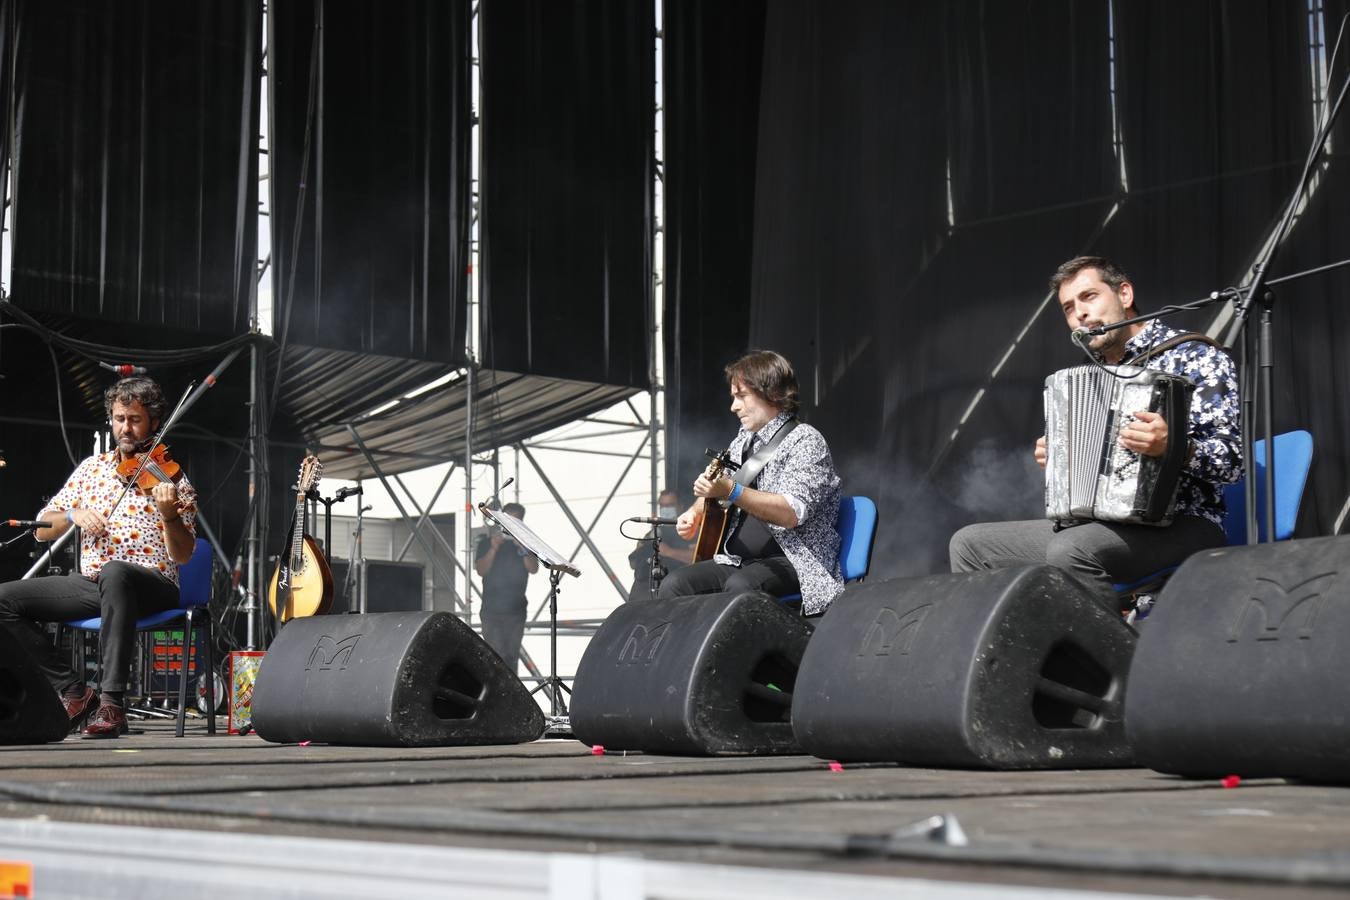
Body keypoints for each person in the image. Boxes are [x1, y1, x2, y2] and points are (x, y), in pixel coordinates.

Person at [949, 256, 1242, 607]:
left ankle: (1102, 660)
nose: (1080, 314)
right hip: (1099, 528)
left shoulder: (1194, 355)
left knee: (1071, 549)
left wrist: (1174, 447)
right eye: (1069, 307)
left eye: (1089, 297)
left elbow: (1232, 464)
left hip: (1187, 523)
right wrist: (1060, 459)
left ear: (1125, 293)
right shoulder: (1086, 381)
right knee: (969, 545)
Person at [0, 376, 198, 739]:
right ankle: (74, 690)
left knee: (115, 572)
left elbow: (183, 555)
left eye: (135, 419)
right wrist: (74, 516)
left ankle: (112, 704)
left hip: (153, 583)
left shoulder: (172, 479)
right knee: (2, 601)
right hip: (93, 584)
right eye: (119, 418)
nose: (126, 427)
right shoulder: (92, 470)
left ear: (154, 422)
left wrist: (170, 515)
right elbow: (43, 529)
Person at [660, 350, 843, 617]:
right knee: (674, 585)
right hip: (737, 561)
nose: (733, 406)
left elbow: (791, 513)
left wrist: (732, 490)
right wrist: (694, 512)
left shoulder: (806, 441)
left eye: (741, 396)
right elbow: (720, 485)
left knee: (740, 587)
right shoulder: (744, 439)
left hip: (795, 559)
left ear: (770, 392)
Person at [474, 502, 537, 670]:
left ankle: (510, 695)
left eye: (515, 521)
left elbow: (533, 568)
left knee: (511, 657)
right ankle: (495, 694)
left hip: (516, 611)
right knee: (495, 658)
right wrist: (493, 549)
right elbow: (481, 570)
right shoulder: (486, 542)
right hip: (491, 611)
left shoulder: (526, 544)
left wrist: (522, 547)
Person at [626, 488, 694, 601]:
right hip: (643, 597)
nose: (666, 509)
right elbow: (633, 563)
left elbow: (699, 557)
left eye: (670, 505)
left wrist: (669, 552)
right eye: (662, 506)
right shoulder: (653, 533)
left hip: (674, 596)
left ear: (680, 506)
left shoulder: (690, 530)